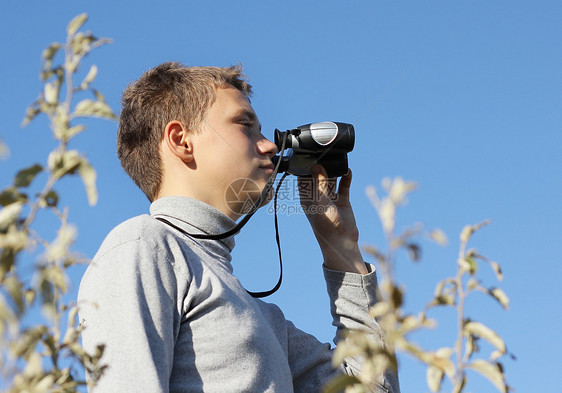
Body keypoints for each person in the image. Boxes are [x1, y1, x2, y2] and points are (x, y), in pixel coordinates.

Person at [77, 62, 400, 393]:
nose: (270, 146)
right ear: (181, 140)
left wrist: (341, 246)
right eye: (246, 126)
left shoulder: (266, 322)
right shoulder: (143, 245)